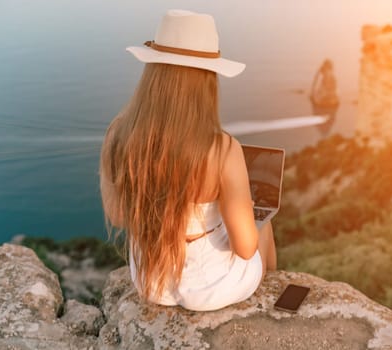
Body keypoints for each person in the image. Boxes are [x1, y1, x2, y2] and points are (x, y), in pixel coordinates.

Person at [99, 9, 277, 311]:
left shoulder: (118, 132)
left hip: (150, 281)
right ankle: (274, 293)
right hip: (212, 288)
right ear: (207, 80)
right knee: (263, 223)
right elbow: (245, 249)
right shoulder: (222, 148)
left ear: (153, 72)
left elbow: (117, 216)